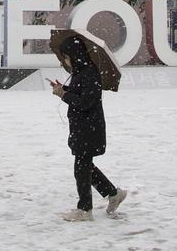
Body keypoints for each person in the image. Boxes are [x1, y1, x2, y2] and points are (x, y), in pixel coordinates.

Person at [50, 34, 127, 221]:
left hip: (89, 128)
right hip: (81, 127)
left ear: (75, 55)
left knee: (81, 168)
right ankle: (113, 193)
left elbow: (85, 102)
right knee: (85, 167)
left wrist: (63, 95)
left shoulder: (90, 73)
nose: (65, 60)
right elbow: (79, 93)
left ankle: (85, 210)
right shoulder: (80, 72)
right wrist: (65, 89)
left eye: (67, 56)